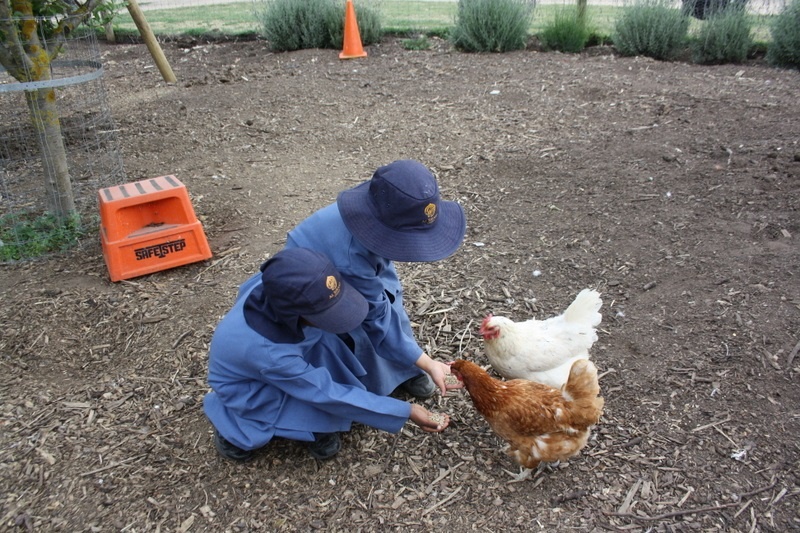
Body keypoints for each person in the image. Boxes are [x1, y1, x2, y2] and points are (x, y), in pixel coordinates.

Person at [204, 247, 452, 462]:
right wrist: (406, 411)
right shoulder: (270, 354)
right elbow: (326, 393)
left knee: (333, 346)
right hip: (252, 387)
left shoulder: (280, 280)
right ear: (294, 314)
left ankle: (317, 424)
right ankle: (232, 430)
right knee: (305, 402)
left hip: (289, 353)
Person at [284, 159, 468, 402]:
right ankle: (371, 385)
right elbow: (374, 317)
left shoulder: (381, 211)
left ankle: (406, 368)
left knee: (392, 301)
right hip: (318, 285)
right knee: (358, 330)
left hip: (361, 259)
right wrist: (429, 362)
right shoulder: (350, 257)